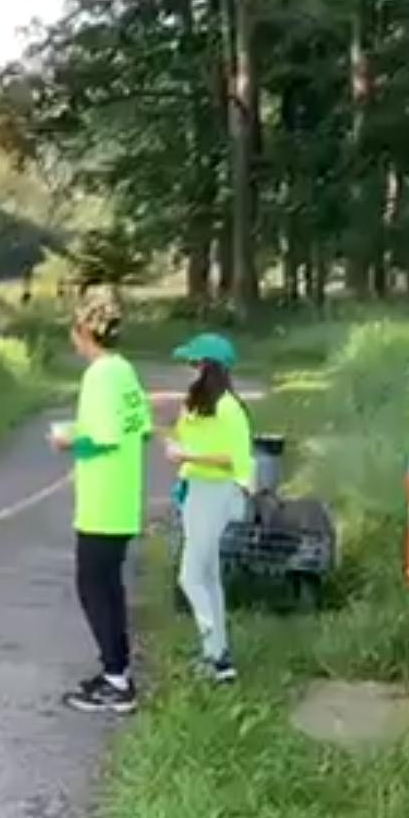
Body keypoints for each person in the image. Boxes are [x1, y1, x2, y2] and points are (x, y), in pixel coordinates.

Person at [52, 289, 152, 712]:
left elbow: (102, 438)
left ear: (83, 332)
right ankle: (117, 670)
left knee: (94, 587)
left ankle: (117, 679)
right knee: (108, 586)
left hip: (101, 498)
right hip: (123, 493)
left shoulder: (98, 376)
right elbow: (139, 429)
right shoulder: (125, 371)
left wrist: (68, 440)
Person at [167, 332, 251, 683]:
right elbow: (183, 439)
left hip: (215, 492)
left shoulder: (229, 409)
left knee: (190, 576)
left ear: (209, 368)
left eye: (194, 363)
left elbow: (233, 458)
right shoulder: (197, 406)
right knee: (208, 576)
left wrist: (188, 455)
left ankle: (215, 655)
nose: (188, 369)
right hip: (196, 490)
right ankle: (219, 654)